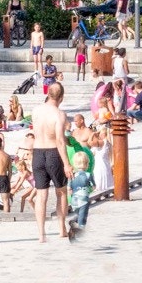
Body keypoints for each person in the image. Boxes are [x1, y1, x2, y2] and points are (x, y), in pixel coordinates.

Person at [30, 83, 70, 242]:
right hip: (53, 152)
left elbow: (36, 131)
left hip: (38, 152)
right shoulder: (59, 114)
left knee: (41, 194)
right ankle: (61, 227)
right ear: (61, 97)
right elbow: (60, 141)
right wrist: (66, 164)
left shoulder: (36, 110)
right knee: (61, 191)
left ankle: (41, 234)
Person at [68, 151, 94, 230]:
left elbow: (69, 188)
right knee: (83, 215)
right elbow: (94, 186)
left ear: (75, 164)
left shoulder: (72, 175)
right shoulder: (88, 175)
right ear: (87, 163)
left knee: (77, 213)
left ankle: (74, 222)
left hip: (74, 199)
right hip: (84, 199)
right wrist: (89, 190)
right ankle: (80, 230)